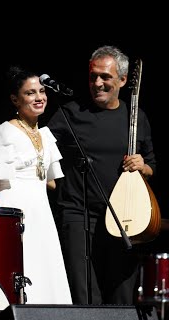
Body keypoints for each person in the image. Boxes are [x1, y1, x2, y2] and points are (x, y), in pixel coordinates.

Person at [47, 45, 157, 305]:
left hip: (124, 216)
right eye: (93, 76)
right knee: (85, 296)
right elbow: (40, 149)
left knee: (121, 297)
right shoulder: (70, 113)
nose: (97, 83)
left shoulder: (136, 118)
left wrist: (143, 166)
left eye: (105, 77)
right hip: (79, 215)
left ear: (121, 80)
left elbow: (152, 167)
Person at [0, 66, 72, 304]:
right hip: (14, 210)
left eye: (41, 91)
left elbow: (49, 182)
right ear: (15, 99)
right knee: (20, 267)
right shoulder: (2, 132)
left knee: (44, 269)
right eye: (30, 93)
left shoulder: (45, 135)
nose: (39, 97)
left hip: (41, 212)